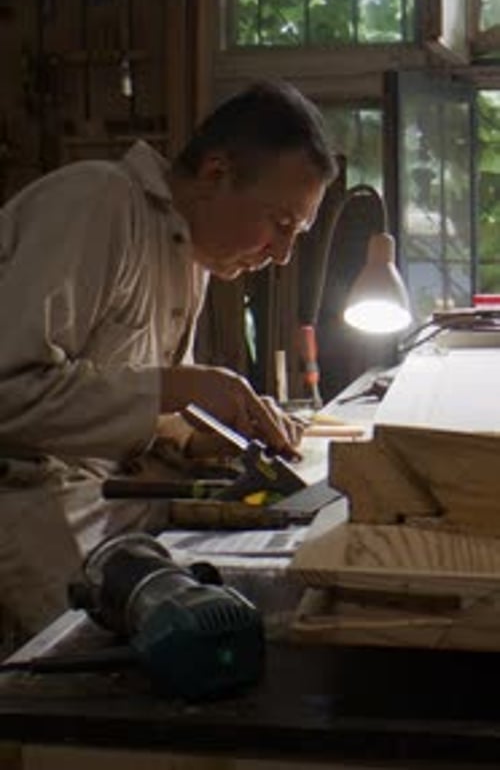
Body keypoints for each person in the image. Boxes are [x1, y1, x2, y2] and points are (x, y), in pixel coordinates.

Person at [0, 80, 335, 640]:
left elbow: (115, 400)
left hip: (96, 504)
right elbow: (9, 391)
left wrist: (192, 432)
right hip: (23, 506)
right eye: (281, 225)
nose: (281, 254)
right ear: (214, 175)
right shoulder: (98, 202)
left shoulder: (186, 253)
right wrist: (177, 389)